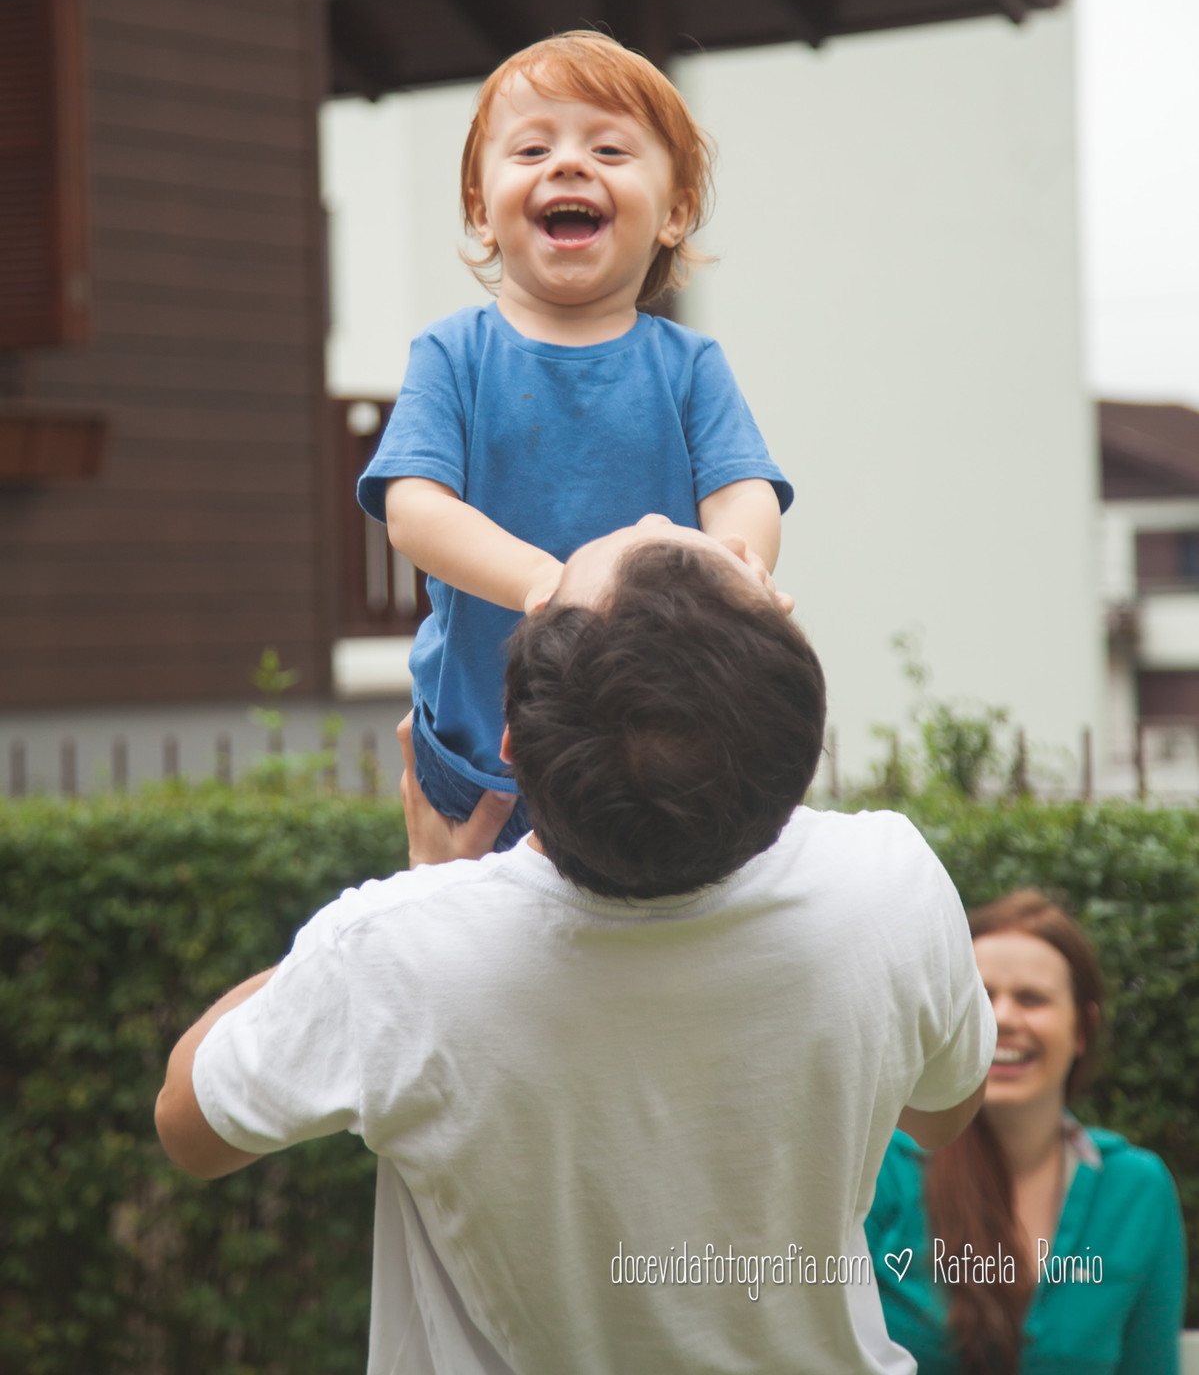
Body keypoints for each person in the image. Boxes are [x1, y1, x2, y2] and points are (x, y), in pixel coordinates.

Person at [157, 518, 997, 1375]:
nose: (653, 516)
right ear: (795, 761)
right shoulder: (889, 883)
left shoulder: (399, 955)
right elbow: (941, 1112)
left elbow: (189, 1123)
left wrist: (420, 901)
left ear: (511, 746)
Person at [356, 29, 792, 849]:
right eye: (531, 147)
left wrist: (737, 566)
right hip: (486, 756)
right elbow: (414, 510)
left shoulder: (688, 365)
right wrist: (545, 583)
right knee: (483, 958)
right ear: (482, 212)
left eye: (608, 147)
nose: (566, 163)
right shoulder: (453, 353)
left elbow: (743, 490)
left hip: (650, 747)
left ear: (675, 212)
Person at [866, 889, 1187, 1375]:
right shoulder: (877, 1169)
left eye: (1032, 999)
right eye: (982, 998)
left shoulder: (1137, 1191)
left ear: (1083, 1028)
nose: (1004, 1018)